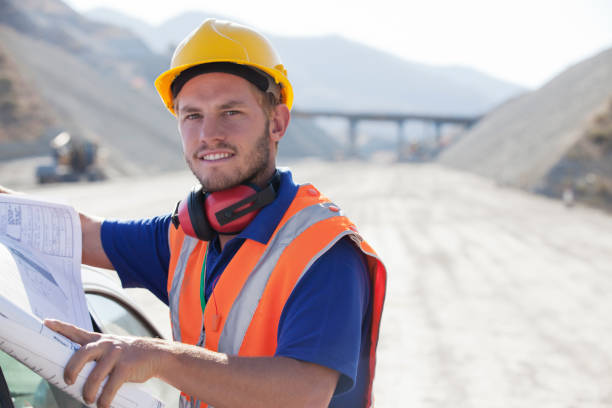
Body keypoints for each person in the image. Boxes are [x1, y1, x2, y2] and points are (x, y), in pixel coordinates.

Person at [1, 19, 386, 408]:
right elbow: (69, 233)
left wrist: (158, 357)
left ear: (277, 123)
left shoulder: (323, 251)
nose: (208, 134)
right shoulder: (185, 238)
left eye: (231, 112)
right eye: (192, 116)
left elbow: (302, 394)